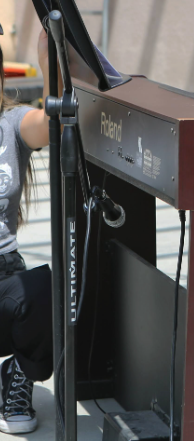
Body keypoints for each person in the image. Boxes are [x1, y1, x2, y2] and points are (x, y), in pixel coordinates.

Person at [0, 22, 51, 435]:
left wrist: (48, 58)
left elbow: (53, 124)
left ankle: (18, 375)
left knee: (44, 291)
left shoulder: (11, 122)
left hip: (3, 273)